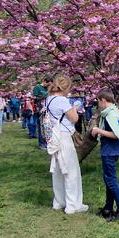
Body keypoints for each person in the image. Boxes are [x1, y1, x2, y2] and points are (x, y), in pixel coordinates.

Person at [44, 76, 87, 213]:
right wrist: (74, 108)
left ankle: (59, 201)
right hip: (64, 136)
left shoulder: (48, 99)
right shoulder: (62, 100)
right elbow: (74, 119)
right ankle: (73, 205)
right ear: (65, 88)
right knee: (70, 171)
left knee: (58, 171)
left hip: (53, 136)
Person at [90, 89, 119, 221]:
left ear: (103, 100)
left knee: (111, 180)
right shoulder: (114, 111)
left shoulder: (110, 114)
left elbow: (116, 134)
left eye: (98, 102)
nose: (98, 105)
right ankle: (108, 208)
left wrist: (98, 131)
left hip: (109, 151)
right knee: (108, 180)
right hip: (111, 150)